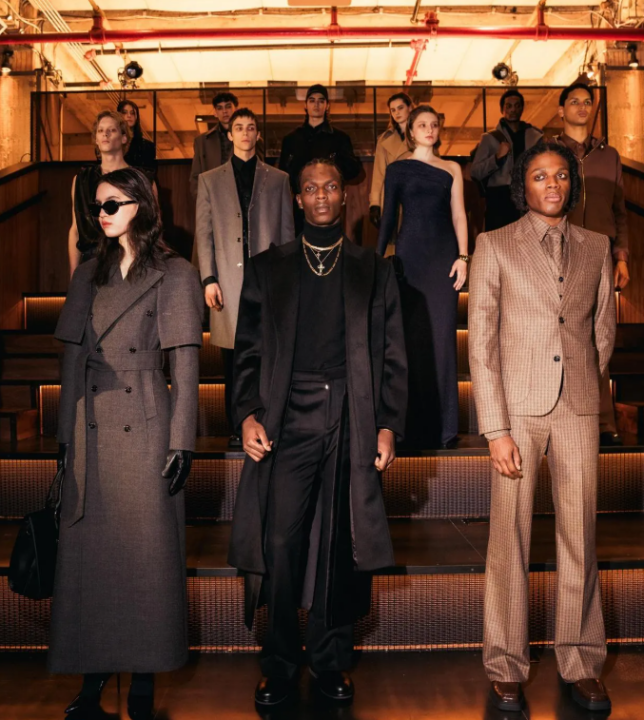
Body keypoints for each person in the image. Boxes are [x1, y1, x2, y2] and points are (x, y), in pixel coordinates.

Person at [228, 159, 407, 710]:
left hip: (352, 414)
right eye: (311, 188)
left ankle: (330, 660)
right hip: (286, 418)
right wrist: (247, 414)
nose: (322, 195)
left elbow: (393, 354)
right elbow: (247, 353)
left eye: (331, 186)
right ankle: (280, 663)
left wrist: (387, 424)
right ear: (298, 199)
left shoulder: (372, 268)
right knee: (280, 543)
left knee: (337, 546)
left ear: (344, 196)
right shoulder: (268, 268)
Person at [49, 167, 203, 720]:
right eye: (98, 206)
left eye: (113, 204)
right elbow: (71, 360)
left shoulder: (175, 273)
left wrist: (182, 442)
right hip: (89, 430)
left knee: (144, 558)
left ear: (142, 204)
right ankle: (91, 679)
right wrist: (64, 438)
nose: (103, 214)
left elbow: (185, 364)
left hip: (145, 428)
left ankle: (143, 677)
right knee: (91, 561)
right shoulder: (86, 274)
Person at [469, 141, 615, 714]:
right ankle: (506, 664)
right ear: (522, 186)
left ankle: (581, 660)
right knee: (510, 540)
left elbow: (603, 331)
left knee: (580, 536)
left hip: (577, 407)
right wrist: (495, 428)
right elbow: (481, 343)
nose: (551, 185)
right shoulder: (494, 245)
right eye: (538, 176)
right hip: (517, 414)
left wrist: (586, 387)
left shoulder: (597, 246)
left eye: (559, 175)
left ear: (571, 183)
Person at [195, 108, 293, 447]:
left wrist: (286, 282)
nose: (246, 133)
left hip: (269, 281)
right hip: (226, 281)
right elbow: (204, 234)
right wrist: (208, 278)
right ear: (230, 134)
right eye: (239, 127)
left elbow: (287, 235)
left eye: (251, 127)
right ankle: (237, 427)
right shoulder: (209, 180)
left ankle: (268, 425)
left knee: (269, 355)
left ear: (258, 134)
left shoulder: (279, 179)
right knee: (233, 361)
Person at [377, 105, 469, 449]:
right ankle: (410, 425)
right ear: (411, 132)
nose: (429, 129)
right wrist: (376, 261)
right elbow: (388, 218)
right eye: (422, 125)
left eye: (434, 124)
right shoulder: (397, 169)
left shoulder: (452, 168)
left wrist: (463, 257)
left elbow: (459, 215)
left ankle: (444, 427)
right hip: (410, 260)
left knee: (443, 339)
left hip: (443, 259)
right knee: (410, 338)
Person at [553, 82, 630, 447]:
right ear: (561, 110)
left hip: (600, 254)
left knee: (600, 337)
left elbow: (620, 211)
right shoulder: (548, 151)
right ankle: (558, 416)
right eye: (574, 102)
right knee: (560, 335)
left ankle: (602, 420)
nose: (582, 107)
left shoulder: (609, 155)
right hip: (560, 252)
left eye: (587, 102)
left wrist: (621, 257)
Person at [279, 84, 361, 234]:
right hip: (300, 208)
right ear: (305, 105)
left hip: (329, 204)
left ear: (327, 105)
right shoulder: (291, 140)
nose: (316, 104)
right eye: (312, 100)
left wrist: (335, 164)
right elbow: (283, 176)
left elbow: (354, 170)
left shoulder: (340, 138)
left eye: (321, 101)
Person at [68, 110, 131, 277]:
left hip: (129, 263)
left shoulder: (140, 179)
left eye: (112, 130)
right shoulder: (81, 180)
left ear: (124, 138)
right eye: (101, 130)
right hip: (91, 263)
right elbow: (75, 230)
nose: (105, 134)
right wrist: (74, 274)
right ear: (96, 139)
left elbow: (152, 227)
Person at [471, 89, 543, 231]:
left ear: (522, 108)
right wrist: (496, 158)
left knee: (528, 238)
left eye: (517, 106)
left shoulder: (535, 137)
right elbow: (475, 172)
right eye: (508, 106)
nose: (513, 110)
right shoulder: (489, 138)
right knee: (499, 239)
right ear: (502, 110)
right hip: (499, 198)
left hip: (528, 195)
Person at [369, 92, 413, 230]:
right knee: (392, 239)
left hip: (415, 195)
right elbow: (378, 174)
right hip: (390, 197)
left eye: (400, 108)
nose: (397, 113)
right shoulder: (384, 139)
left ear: (410, 108)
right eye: (393, 110)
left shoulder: (423, 135)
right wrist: (375, 204)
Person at [189, 91, 239, 198]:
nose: (224, 111)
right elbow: (195, 177)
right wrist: (202, 200)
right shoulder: (202, 142)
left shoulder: (250, 138)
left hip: (241, 198)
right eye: (219, 108)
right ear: (215, 112)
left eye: (228, 106)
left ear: (236, 109)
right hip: (213, 198)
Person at [118, 98, 157, 179]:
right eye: (124, 112)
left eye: (132, 113)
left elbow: (150, 173)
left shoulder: (147, 146)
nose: (129, 116)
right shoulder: (114, 144)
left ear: (136, 117)